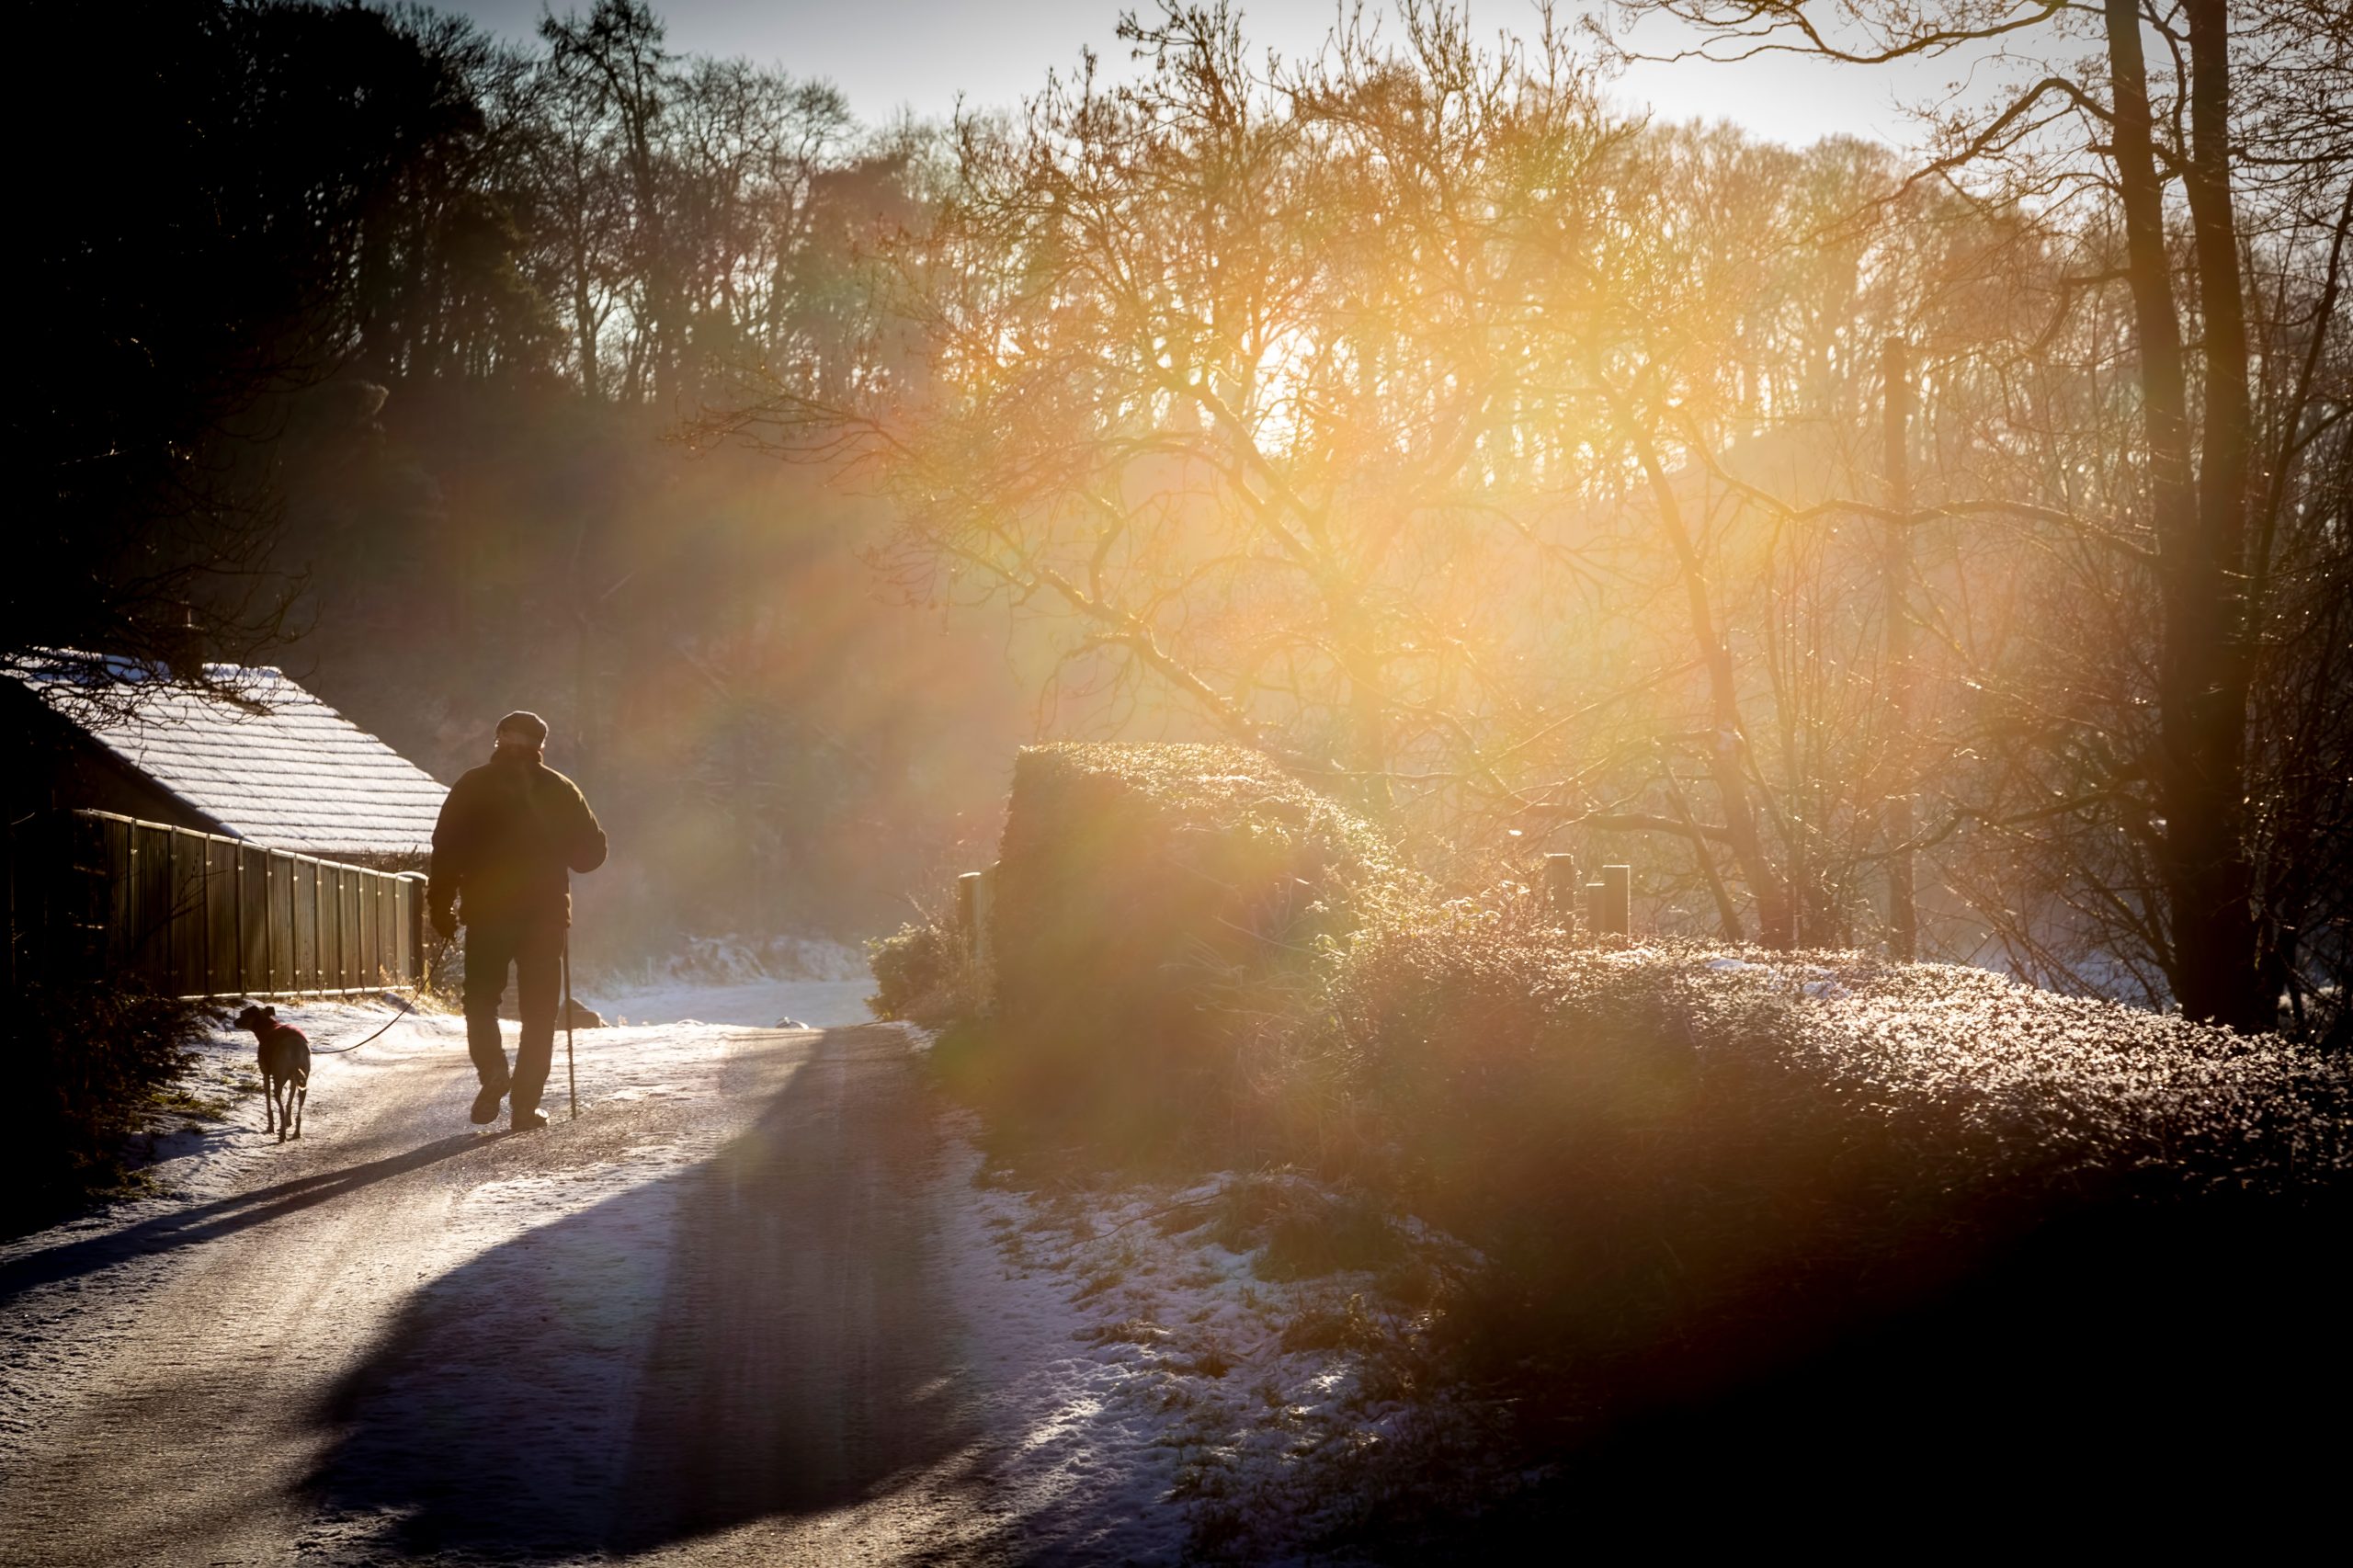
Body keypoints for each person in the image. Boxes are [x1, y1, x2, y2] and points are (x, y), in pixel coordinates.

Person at [426, 710, 608, 1131]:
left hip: (489, 914)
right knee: (540, 1013)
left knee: (480, 1001)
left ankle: (492, 1071)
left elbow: (445, 849)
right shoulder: (561, 789)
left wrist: (440, 905)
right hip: (545, 917)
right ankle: (525, 1108)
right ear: (540, 745)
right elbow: (589, 857)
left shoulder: (472, 785)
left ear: (499, 740)